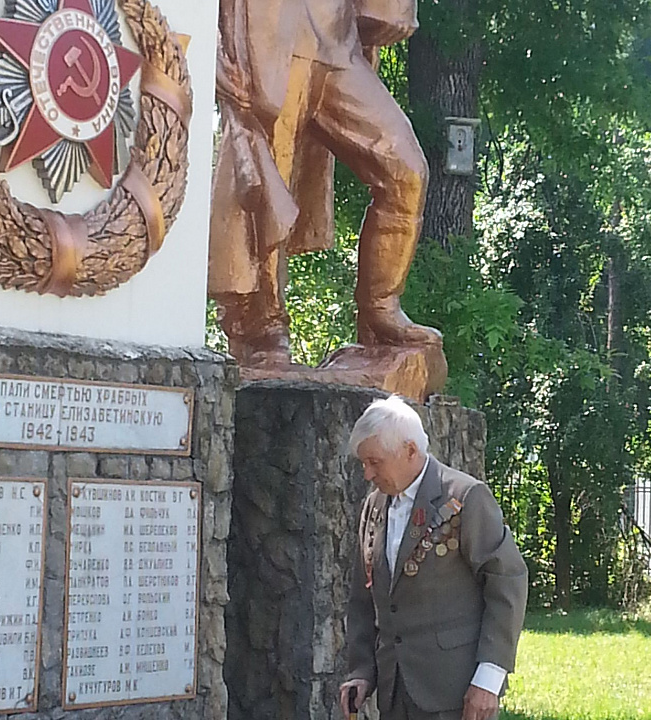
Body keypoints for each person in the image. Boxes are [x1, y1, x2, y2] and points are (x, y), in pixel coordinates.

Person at [210, 0, 441, 365]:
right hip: (267, 40)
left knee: (406, 172)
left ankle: (380, 308)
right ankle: (262, 329)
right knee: (266, 190)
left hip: (337, 42)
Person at [341, 397, 528, 720]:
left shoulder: (465, 497)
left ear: (410, 451)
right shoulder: (374, 507)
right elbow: (363, 596)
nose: (367, 473)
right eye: (363, 463)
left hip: (455, 693)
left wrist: (489, 680)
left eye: (375, 462)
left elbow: (507, 582)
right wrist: (360, 670)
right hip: (394, 693)